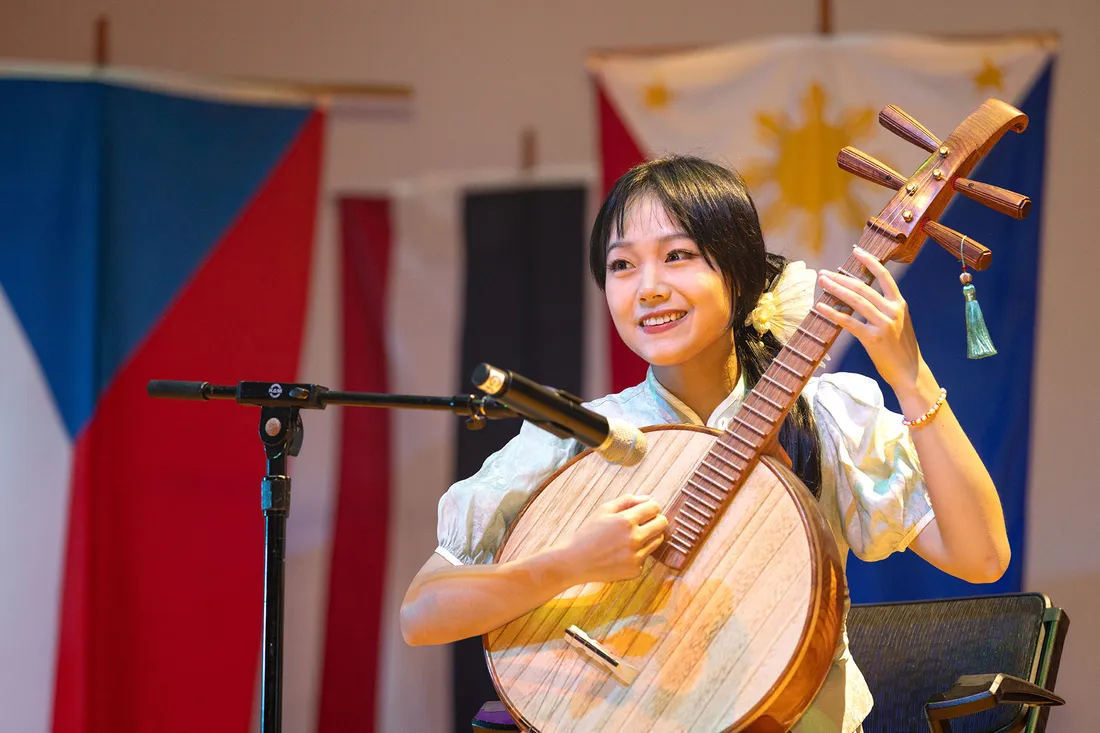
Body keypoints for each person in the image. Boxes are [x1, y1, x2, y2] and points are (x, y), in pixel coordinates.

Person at [400, 155, 1011, 732]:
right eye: (621, 265)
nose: (648, 288)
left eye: (679, 255)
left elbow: (981, 557)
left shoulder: (821, 416)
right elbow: (423, 613)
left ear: (740, 275)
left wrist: (910, 376)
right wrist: (570, 563)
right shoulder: (577, 438)